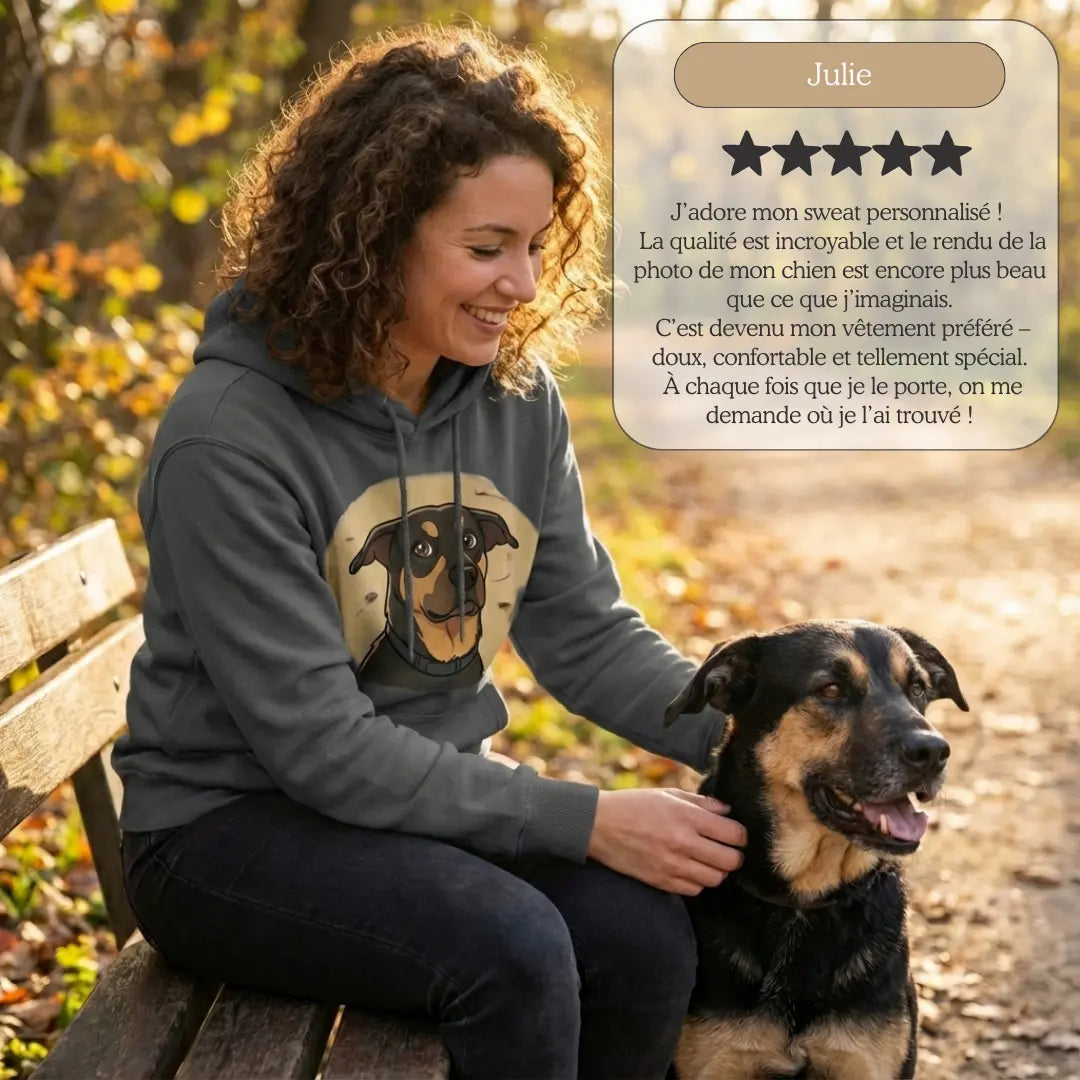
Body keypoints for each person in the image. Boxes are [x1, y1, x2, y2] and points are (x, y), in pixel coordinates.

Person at [112, 23, 746, 1080]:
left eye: (539, 245)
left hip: (415, 806)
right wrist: (586, 818)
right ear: (371, 235)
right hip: (224, 837)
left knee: (644, 933)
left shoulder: (511, 395)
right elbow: (319, 749)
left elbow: (583, 632)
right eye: (487, 247)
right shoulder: (230, 434)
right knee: (514, 948)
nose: (523, 282)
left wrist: (775, 741)